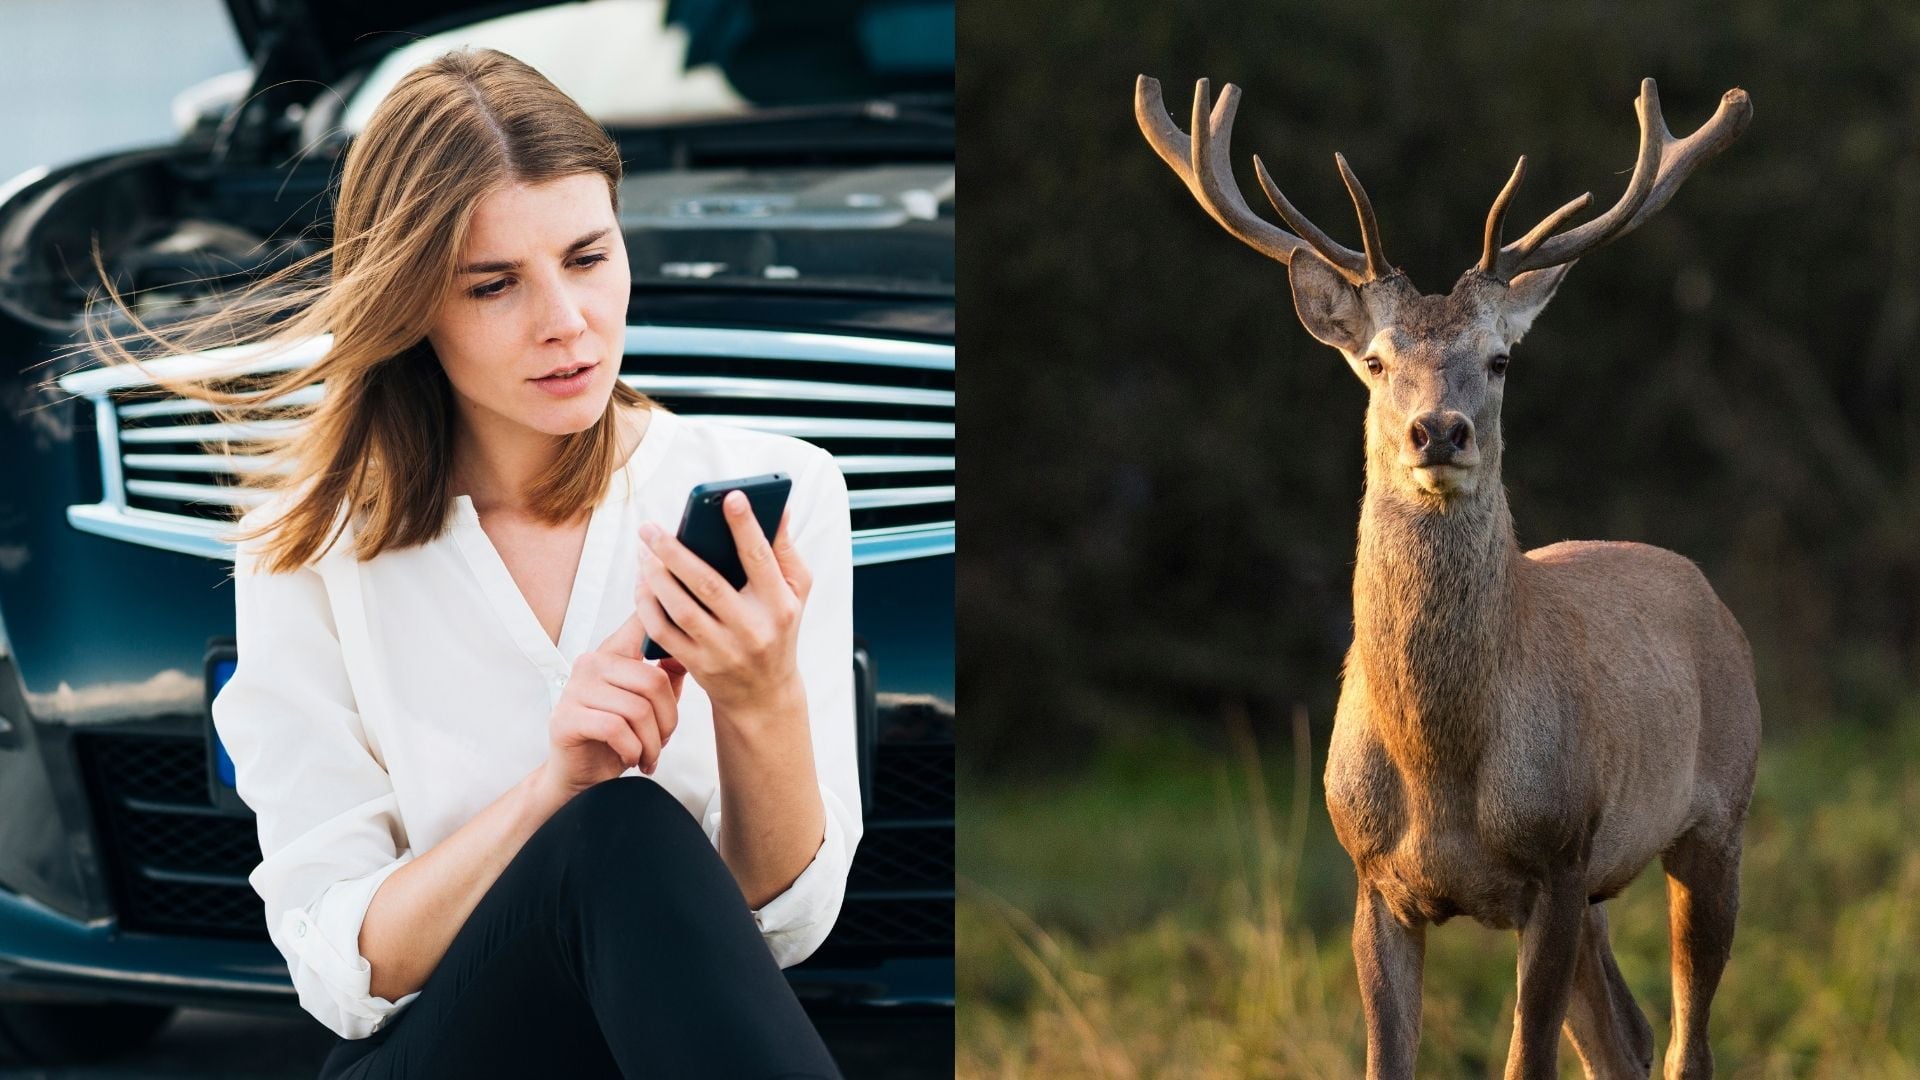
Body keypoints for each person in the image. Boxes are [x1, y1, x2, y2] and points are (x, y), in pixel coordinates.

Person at [81, 47, 856, 1079]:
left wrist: (762, 707)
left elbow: (783, 929)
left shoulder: (778, 490)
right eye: (494, 285)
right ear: (411, 305)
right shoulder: (307, 550)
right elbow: (344, 972)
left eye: (588, 257)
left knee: (630, 838)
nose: (567, 323)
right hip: (433, 1055)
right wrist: (553, 791)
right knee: (612, 823)